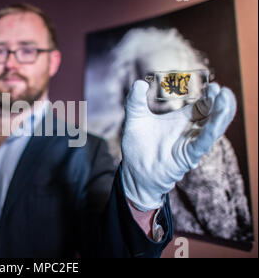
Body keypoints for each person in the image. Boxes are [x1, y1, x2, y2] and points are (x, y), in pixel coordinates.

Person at [0, 4, 237, 258]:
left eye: (27, 50)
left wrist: (143, 197)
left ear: (53, 60)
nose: (10, 62)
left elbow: (108, 252)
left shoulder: (86, 150)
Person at [85, 27, 252, 242]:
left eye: (174, 78)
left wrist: (201, 165)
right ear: (128, 85)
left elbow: (236, 225)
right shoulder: (108, 153)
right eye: (151, 80)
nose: (165, 91)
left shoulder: (214, 143)